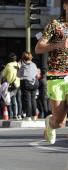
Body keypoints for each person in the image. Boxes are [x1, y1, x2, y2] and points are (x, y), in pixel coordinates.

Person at [35, 0, 68, 144]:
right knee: (59, 122)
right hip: (56, 76)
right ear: (65, 6)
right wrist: (59, 44)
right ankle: (50, 123)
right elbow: (38, 48)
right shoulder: (55, 25)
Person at [18, 52, 39, 121]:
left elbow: (18, 75)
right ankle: (34, 115)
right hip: (35, 82)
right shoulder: (34, 65)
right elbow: (36, 73)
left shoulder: (23, 66)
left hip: (26, 83)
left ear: (23, 58)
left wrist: (18, 68)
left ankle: (28, 116)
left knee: (27, 99)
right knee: (33, 99)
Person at [2, 53, 22, 120]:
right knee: (19, 100)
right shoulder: (18, 65)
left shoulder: (8, 65)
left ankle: (14, 115)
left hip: (12, 84)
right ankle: (19, 114)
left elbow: (3, 74)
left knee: (13, 99)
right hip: (19, 83)